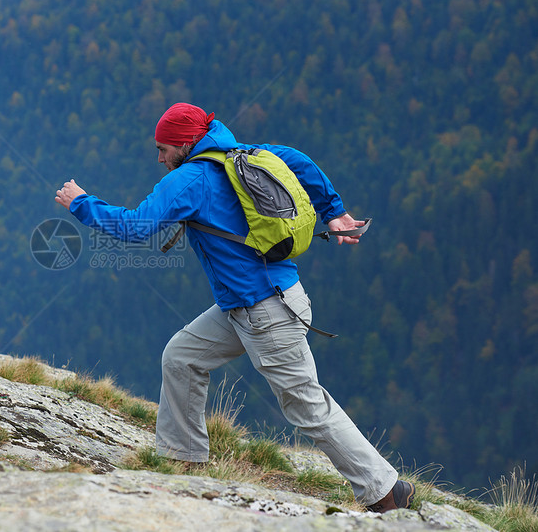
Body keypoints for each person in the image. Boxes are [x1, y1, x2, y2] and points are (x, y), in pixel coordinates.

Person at [55, 102, 414, 513]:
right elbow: (300, 161)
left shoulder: (191, 178)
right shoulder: (246, 152)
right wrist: (333, 211)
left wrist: (81, 202)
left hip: (266, 313)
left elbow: (136, 227)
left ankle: (385, 492)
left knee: (305, 405)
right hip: (248, 305)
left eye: (163, 148)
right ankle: (182, 461)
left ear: (186, 143)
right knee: (182, 356)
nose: (159, 158)